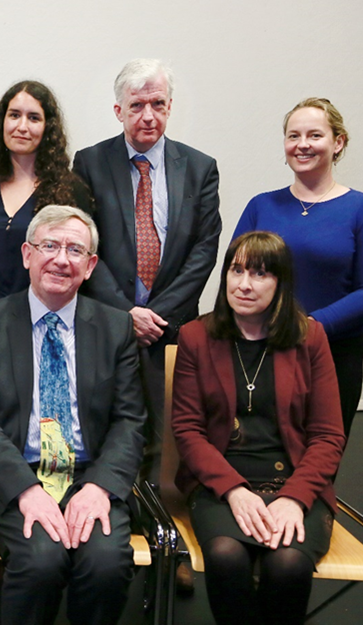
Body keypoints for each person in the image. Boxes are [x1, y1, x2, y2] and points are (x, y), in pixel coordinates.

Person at [0, 205, 146, 625]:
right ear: (27, 254)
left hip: (88, 477)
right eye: (50, 245)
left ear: (90, 266)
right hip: (8, 478)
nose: (61, 259)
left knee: (105, 564)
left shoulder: (115, 327)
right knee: (41, 562)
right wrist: (27, 490)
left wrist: (100, 488)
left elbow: (130, 421)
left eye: (74, 250)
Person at [171, 231, 346, 625]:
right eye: (236, 271)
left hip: (296, 483)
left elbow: (328, 435)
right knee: (226, 558)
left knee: (286, 565)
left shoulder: (310, 337)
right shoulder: (195, 337)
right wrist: (233, 491)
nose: (244, 284)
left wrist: (295, 498)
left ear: (281, 283)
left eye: (260, 274)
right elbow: (187, 430)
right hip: (220, 486)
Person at [73, 58, 221, 485]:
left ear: (170, 106)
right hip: (105, 323)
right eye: (137, 106)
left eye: (158, 103)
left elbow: (204, 249)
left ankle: (156, 521)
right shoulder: (89, 163)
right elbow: (83, 245)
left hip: (171, 330)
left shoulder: (199, 167)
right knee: (103, 427)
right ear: (118, 110)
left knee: (168, 433)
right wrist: (125, 314)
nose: (148, 116)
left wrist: (157, 316)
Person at [233, 97, 363, 438]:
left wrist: (310, 327)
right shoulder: (261, 206)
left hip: (333, 356)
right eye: (293, 136)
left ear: (338, 142)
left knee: (317, 463)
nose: (302, 145)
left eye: (314, 135)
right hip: (260, 352)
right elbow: (236, 276)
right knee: (256, 458)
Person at [0, 80, 93, 306]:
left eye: (33, 118)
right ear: (2, 121)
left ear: (48, 127)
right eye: (14, 115)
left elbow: (80, 263)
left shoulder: (72, 191)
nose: (22, 127)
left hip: (47, 317)